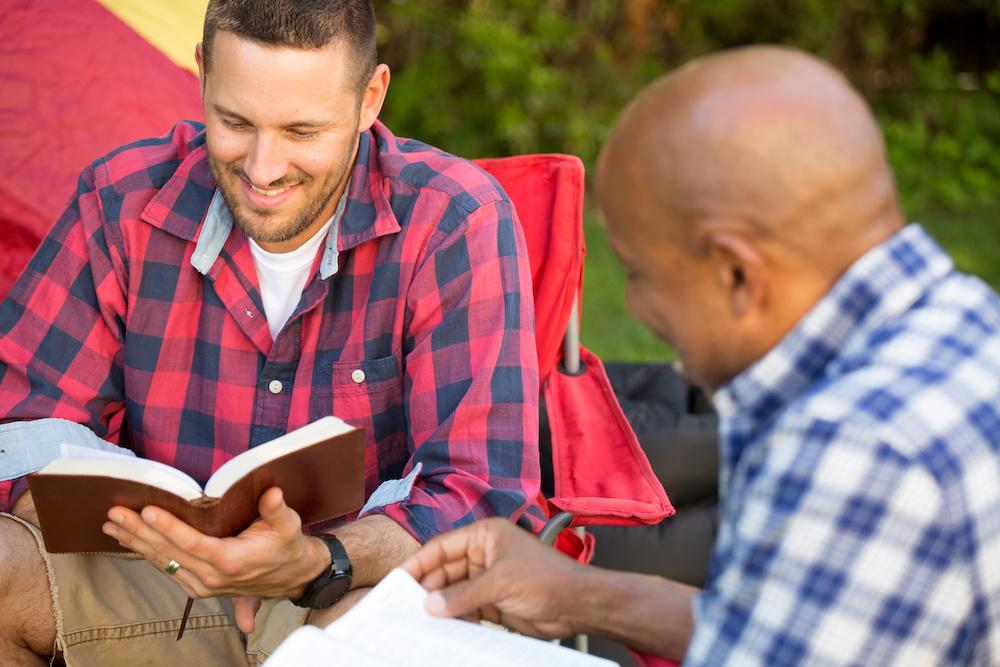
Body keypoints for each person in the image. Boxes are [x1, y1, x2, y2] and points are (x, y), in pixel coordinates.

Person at [402, 45, 1000, 666]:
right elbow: (782, 628)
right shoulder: (966, 326)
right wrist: (580, 596)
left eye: (640, 274)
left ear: (736, 273)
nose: (634, 307)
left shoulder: (853, 449)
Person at [0, 0, 544, 664]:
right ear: (201, 73)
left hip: (346, 591)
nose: (262, 169)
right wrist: (75, 507)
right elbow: (21, 425)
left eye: (302, 131)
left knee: (370, 640)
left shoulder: (456, 221)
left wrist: (316, 561)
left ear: (371, 97)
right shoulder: (121, 202)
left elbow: (479, 495)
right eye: (234, 122)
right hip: (158, 586)